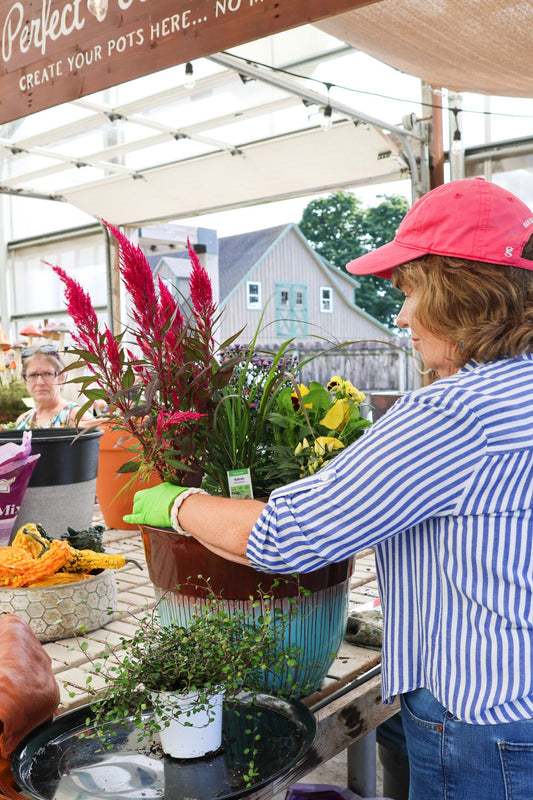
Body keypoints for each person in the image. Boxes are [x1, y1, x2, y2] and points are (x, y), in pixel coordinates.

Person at [125, 178, 533, 800]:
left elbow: (287, 537)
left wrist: (178, 504)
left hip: (483, 720)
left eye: (411, 292)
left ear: (459, 294)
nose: (401, 316)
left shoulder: (456, 412)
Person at [15, 344, 93, 429]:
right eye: (32, 375)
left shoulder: (76, 417)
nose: (39, 382)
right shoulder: (23, 421)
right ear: (25, 380)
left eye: (48, 374)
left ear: (62, 378)